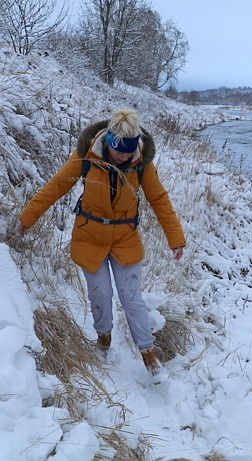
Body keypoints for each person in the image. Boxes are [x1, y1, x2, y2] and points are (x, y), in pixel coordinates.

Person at [18, 109, 186, 376]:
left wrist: (175, 238)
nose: (123, 156)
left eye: (128, 152)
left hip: (125, 239)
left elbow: (159, 200)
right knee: (101, 295)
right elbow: (58, 185)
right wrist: (29, 217)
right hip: (90, 237)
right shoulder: (88, 156)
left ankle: (149, 357)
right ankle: (103, 340)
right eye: (119, 151)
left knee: (132, 299)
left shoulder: (141, 164)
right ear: (109, 142)